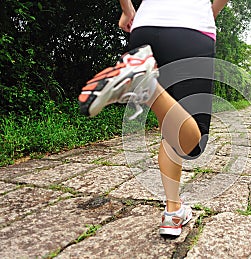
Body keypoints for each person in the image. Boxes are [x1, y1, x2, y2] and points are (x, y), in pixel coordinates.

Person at [78, 0, 229, 236]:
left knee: (170, 127)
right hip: (192, 26)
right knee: (192, 143)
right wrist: (212, 11)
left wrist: (128, 11)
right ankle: (146, 83)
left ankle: (173, 212)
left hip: (144, 28)